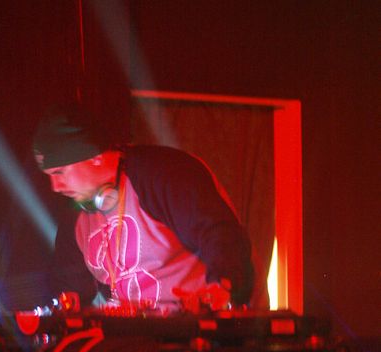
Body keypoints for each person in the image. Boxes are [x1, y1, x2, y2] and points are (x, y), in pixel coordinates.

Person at [33, 102, 254, 313]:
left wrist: (221, 288)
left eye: (59, 172)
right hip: (129, 334)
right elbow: (68, 287)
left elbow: (220, 235)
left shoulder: (163, 174)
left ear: (94, 157)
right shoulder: (75, 216)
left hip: (193, 328)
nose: (55, 186)